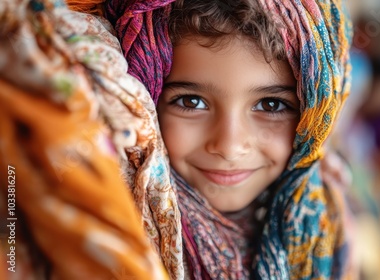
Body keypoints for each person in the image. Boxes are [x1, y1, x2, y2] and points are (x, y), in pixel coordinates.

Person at [0, 0, 352, 279]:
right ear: (148, 98)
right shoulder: (108, 216)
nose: (229, 146)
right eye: (191, 102)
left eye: (272, 105)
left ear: (315, 115)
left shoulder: (329, 224)